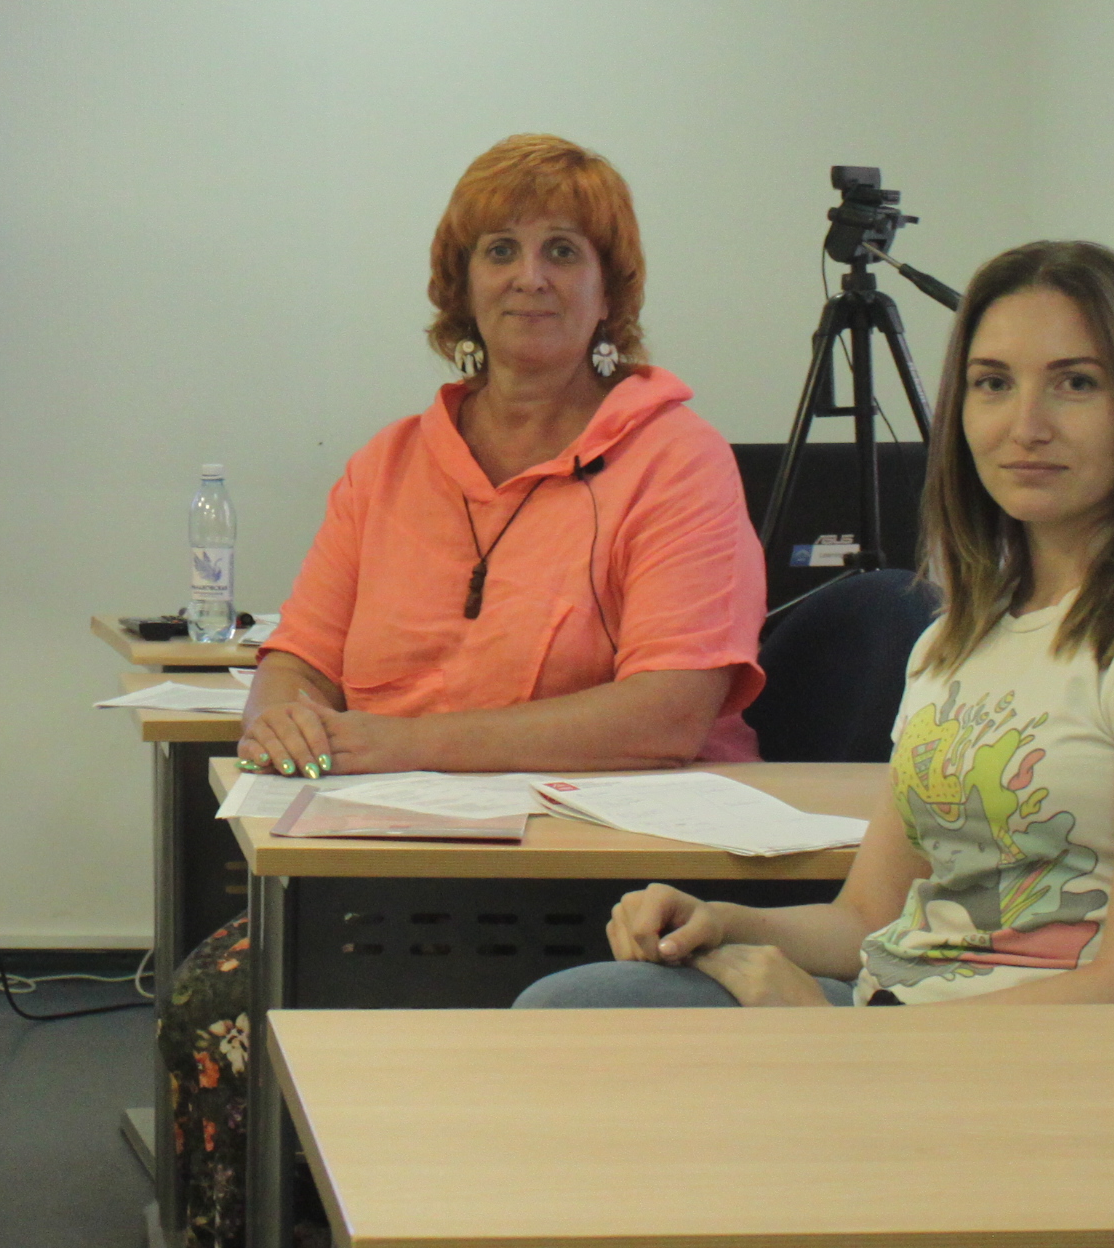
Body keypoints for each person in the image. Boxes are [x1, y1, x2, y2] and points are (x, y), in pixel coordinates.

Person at [162, 134, 765, 1248]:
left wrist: (398, 740)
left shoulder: (677, 460)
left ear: (610, 290)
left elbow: (671, 713)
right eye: (500, 250)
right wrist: (282, 705)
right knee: (214, 1005)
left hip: (611, 888)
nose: (530, 277)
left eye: (563, 251)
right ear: (462, 284)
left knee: (237, 1002)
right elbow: (302, 654)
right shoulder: (390, 463)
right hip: (388, 866)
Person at [512, 237, 1114, 1014]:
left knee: (571, 1024)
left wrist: (854, 1046)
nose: (1026, 425)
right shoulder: (955, 640)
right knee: (570, 1009)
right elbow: (867, 919)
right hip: (889, 1021)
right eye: (993, 384)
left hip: (1011, 1063)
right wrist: (720, 920)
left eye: (1075, 384)